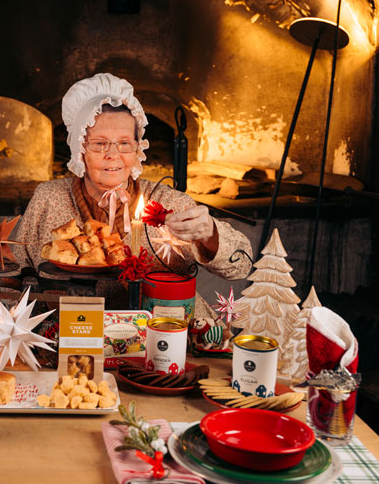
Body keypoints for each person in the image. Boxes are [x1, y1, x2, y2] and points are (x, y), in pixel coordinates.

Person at [13, 73, 253, 318]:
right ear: (79, 148)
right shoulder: (49, 198)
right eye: (99, 143)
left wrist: (209, 233)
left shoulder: (170, 202)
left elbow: (240, 267)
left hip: (163, 336)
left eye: (124, 143)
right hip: (74, 337)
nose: (113, 155)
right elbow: (16, 267)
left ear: (138, 147)